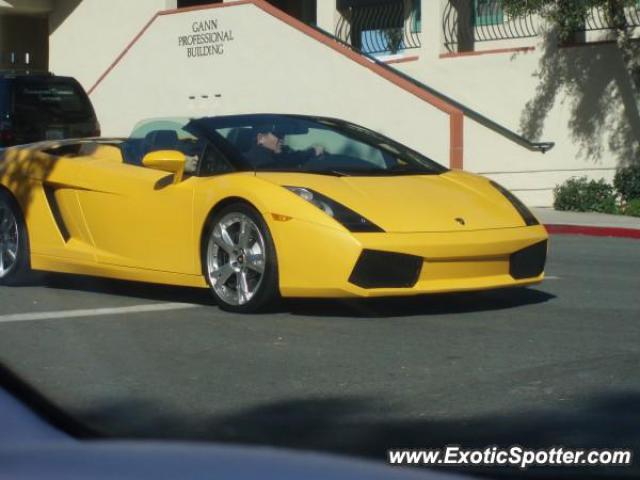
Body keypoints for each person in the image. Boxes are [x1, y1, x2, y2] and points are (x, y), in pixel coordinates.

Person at [245, 124, 324, 168]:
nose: (282, 139)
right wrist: (311, 153)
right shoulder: (255, 159)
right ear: (261, 138)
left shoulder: (275, 155)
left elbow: (288, 158)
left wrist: (311, 152)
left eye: (283, 136)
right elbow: (282, 164)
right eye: (278, 135)